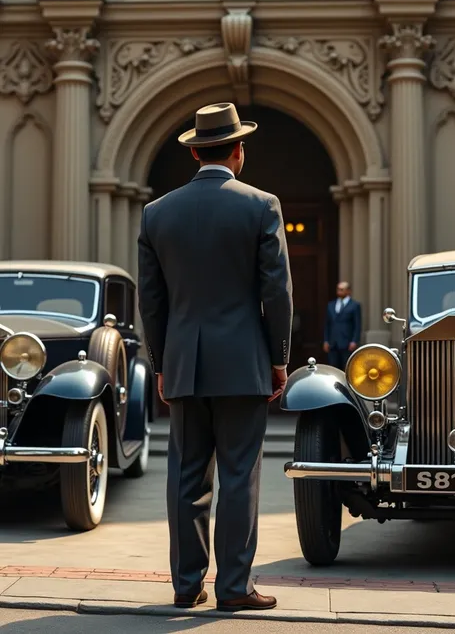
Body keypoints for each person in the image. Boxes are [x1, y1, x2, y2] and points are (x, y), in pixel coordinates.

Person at [137, 102, 293, 612]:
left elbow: (151, 300)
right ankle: (234, 589)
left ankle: (186, 586)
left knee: (185, 477)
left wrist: (161, 364)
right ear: (238, 150)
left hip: (183, 364)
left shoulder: (157, 213)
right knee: (239, 475)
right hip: (243, 363)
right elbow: (277, 293)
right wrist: (279, 358)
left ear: (195, 152)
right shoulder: (261, 205)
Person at [323, 281, 361, 370]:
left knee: (347, 368)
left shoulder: (354, 305)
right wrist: (326, 340)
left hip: (347, 343)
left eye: (342, 289)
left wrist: (354, 341)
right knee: (333, 368)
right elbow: (327, 324)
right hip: (333, 342)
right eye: (338, 289)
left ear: (348, 291)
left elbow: (357, 324)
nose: (339, 291)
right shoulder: (331, 305)